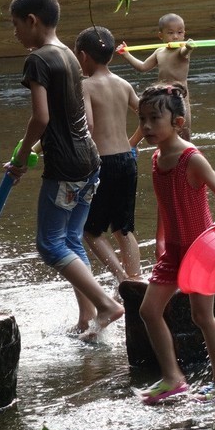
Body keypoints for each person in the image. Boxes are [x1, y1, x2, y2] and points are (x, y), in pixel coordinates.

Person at [5, 0, 124, 338]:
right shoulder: (70, 56)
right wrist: (31, 152)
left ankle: (106, 305)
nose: (14, 33)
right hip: (89, 160)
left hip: (65, 167)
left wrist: (22, 157)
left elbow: (41, 118)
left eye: (15, 25)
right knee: (71, 238)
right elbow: (75, 120)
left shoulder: (38, 60)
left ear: (32, 20)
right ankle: (87, 318)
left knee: (50, 244)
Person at [135, 83, 215, 403]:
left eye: (154, 119)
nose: (146, 126)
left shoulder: (191, 159)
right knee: (149, 311)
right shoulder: (156, 159)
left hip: (201, 250)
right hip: (174, 250)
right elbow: (165, 205)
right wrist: (160, 240)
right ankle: (173, 378)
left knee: (202, 317)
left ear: (177, 122)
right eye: (142, 119)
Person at [75, 26, 142, 285]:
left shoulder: (85, 86)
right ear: (112, 55)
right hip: (127, 160)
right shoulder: (123, 84)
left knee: (90, 230)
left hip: (102, 163)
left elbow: (88, 125)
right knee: (123, 228)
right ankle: (136, 279)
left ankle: (122, 278)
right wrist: (132, 143)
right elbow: (147, 116)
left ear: (83, 56)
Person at [120, 13, 195, 139]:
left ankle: (187, 150)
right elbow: (143, 67)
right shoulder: (159, 52)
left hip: (179, 96)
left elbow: (185, 52)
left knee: (184, 130)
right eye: (170, 33)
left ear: (184, 34)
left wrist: (188, 47)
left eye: (180, 32)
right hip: (162, 96)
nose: (175, 36)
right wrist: (127, 55)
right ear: (161, 35)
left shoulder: (181, 50)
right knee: (163, 129)